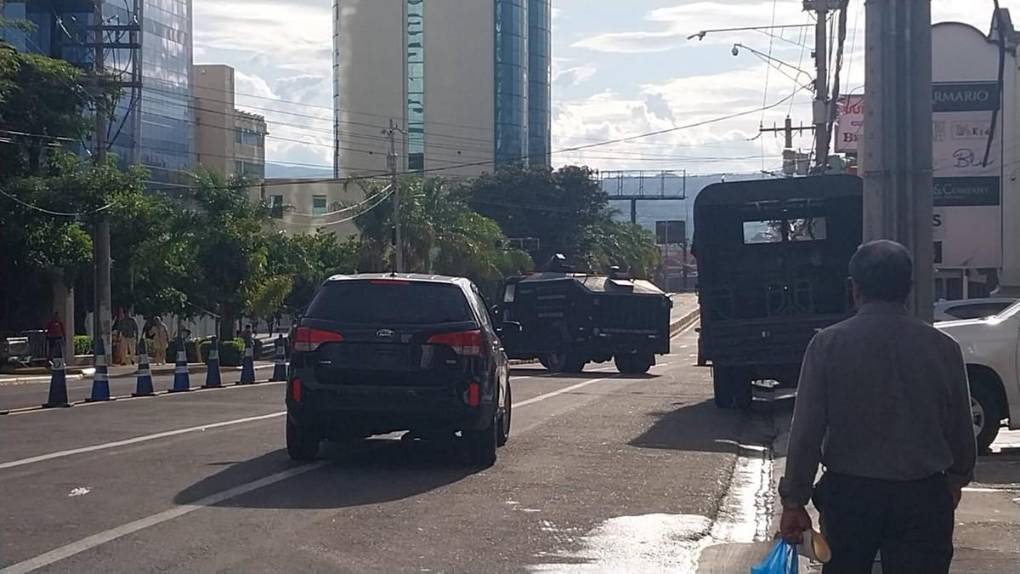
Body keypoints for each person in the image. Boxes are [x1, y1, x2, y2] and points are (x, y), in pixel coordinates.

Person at [779, 240, 976, 574]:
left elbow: (806, 432)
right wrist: (956, 479)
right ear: (909, 289)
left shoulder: (828, 345)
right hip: (924, 498)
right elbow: (960, 426)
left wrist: (794, 500)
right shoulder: (944, 348)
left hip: (851, 497)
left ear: (855, 288)